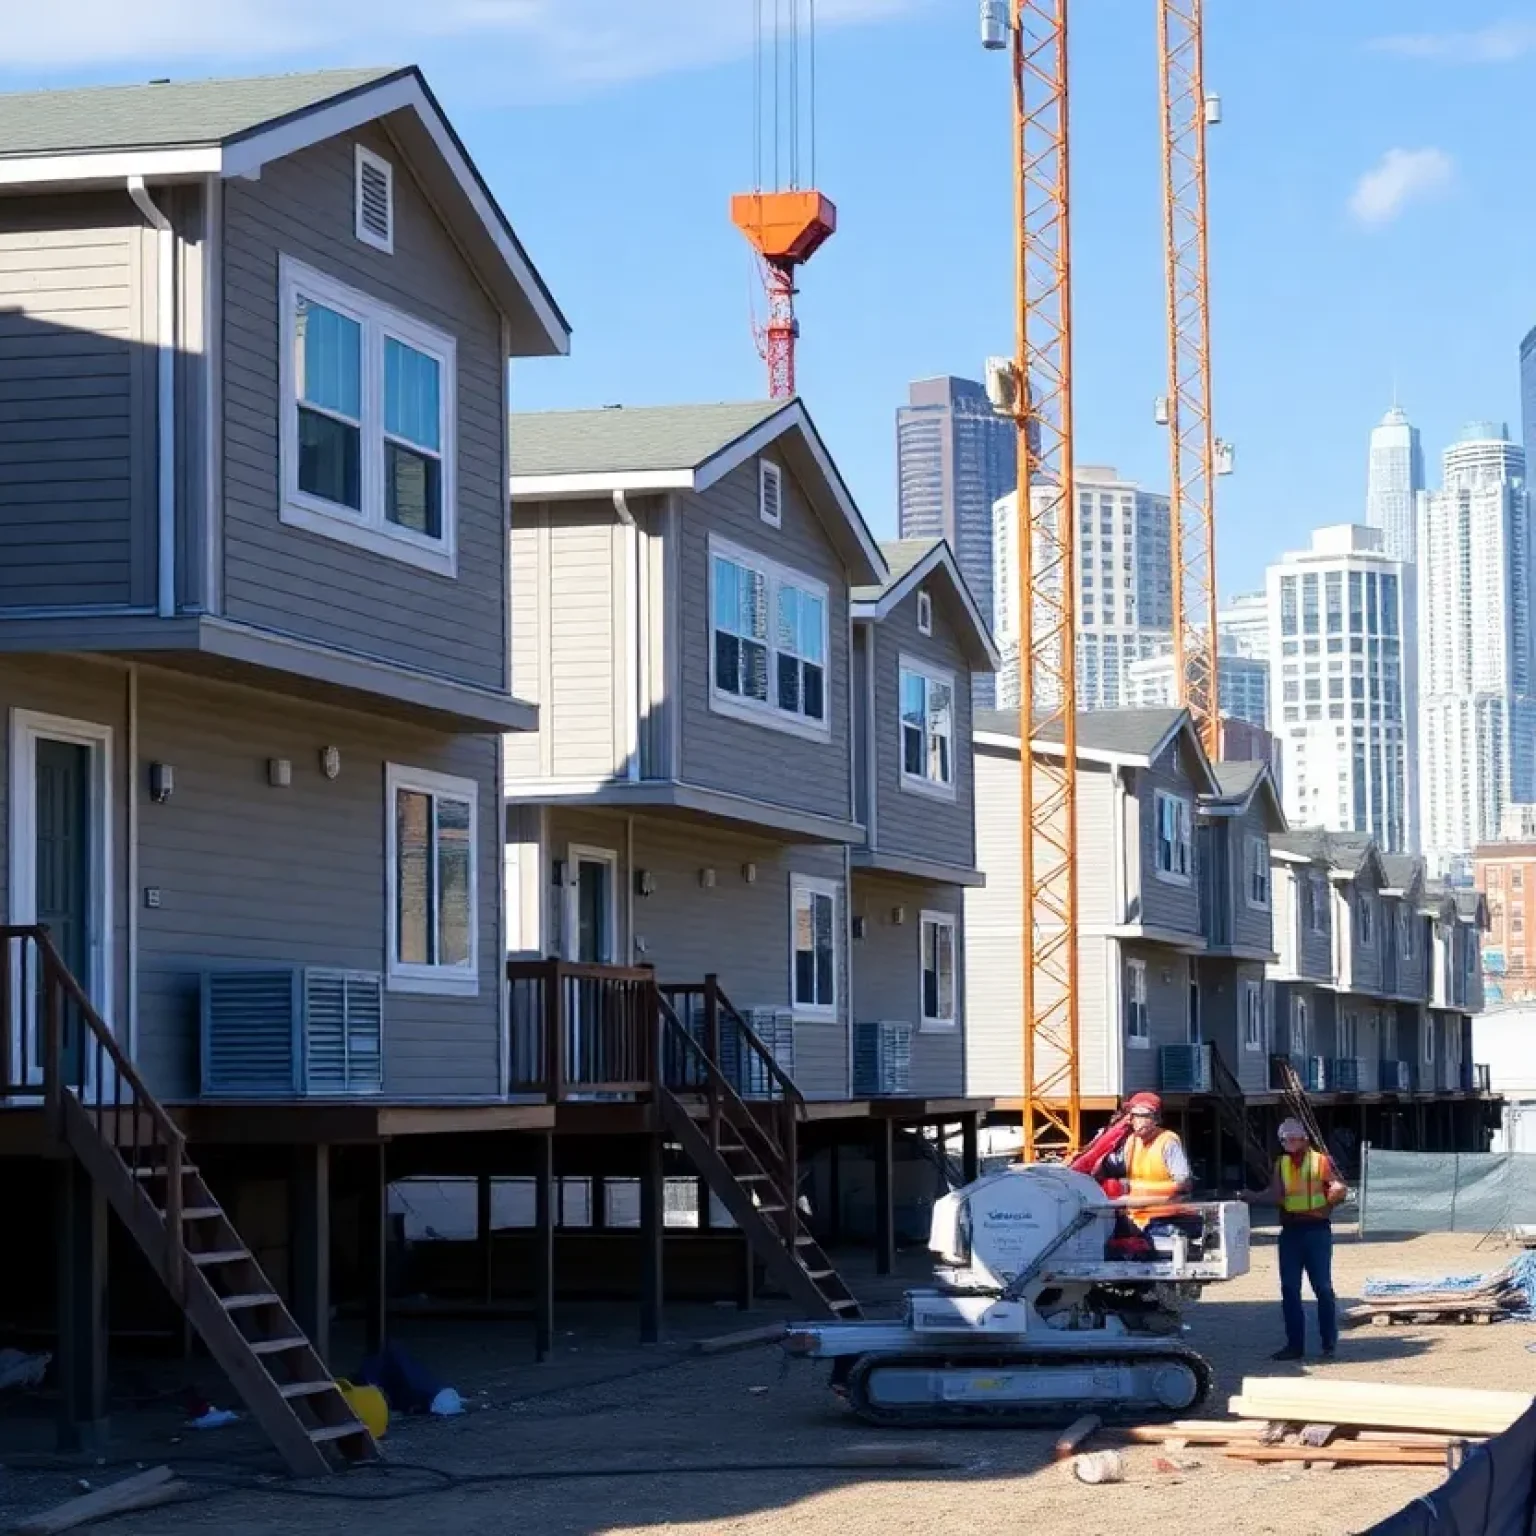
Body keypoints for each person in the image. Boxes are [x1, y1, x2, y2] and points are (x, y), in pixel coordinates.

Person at [1245, 1117, 1348, 1361]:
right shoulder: (1281, 1164)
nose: (1289, 1142)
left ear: (1304, 1138)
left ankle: (1329, 1343)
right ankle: (1295, 1345)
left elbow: (1338, 1187)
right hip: (1291, 1231)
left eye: (1293, 1138)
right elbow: (1276, 1194)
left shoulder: (1320, 1161)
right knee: (1290, 1289)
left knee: (1322, 1288)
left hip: (1317, 1230)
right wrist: (1251, 1197)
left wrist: (1333, 1198)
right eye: (1284, 1139)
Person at [1095, 1092, 1193, 1220]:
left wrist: (1135, 1189)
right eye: (1134, 1116)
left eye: (1143, 1116)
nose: (1137, 1121)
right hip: (1136, 1216)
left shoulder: (1167, 1141)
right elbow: (1111, 1165)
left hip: (1164, 1217)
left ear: (1156, 1119)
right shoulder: (1131, 1141)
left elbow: (1183, 1184)